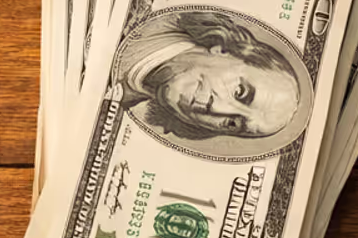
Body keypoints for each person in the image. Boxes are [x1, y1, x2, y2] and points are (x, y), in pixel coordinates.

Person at [114, 10, 301, 142]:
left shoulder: (125, 109)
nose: (217, 108)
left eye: (233, 123)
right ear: (224, 49)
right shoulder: (146, 18)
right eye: (239, 91)